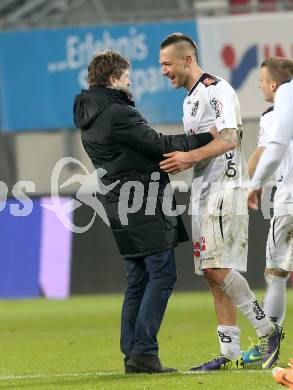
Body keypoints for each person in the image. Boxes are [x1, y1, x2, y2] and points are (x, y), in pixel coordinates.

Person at [73, 49, 215, 374]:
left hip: (119, 202)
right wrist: (210, 137)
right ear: (113, 79)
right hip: (143, 201)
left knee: (137, 278)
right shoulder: (118, 113)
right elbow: (160, 144)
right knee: (162, 274)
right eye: (126, 77)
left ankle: (133, 354)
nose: (130, 81)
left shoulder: (89, 116)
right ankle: (145, 352)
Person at [159, 33, 282, 371]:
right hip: (203, 191)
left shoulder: (217, 90)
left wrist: (188, 157)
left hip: (225, 188)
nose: (163, 71)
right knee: (211, 274)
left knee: (216, 267)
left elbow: (229, 138)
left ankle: (267, 330)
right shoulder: (189, 99)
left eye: (167, 64)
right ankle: (229, 354)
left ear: (187, 60)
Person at [242, 58, 293, 365]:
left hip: (289, 200)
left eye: (261, 80)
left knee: (276, 273)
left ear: (274, 85)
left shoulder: (276, 111)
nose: (260, 84)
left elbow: (266, 151)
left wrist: (246, 186)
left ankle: (268, 344)